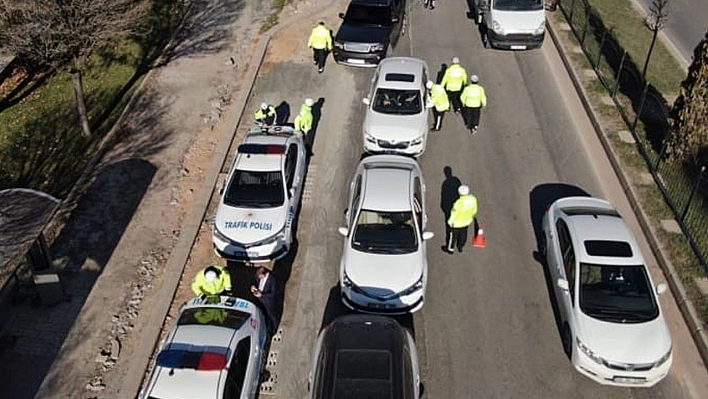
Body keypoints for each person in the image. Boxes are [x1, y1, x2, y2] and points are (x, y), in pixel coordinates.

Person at [443, 185, 478, 254]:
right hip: (466, 221)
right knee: (463, 234)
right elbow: (475, 210)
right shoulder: (472, 199)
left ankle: (450, 249)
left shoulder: (458, 203)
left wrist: (450, 222)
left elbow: (454, 214)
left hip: (456, 224)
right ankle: (460, 246)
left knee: (452, 236)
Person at [250, 266, 280, 334]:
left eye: (260, 277)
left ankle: (274, 329)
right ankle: (265, 326)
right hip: (259, 299)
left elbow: (273, 294)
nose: (259, 278)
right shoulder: (258, 275)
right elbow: (255, 281)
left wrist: (262, 295)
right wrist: (253, 286)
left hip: (268, 301)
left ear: (264, 274)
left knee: (272, 316)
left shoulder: (272, 280)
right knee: (262, 314)